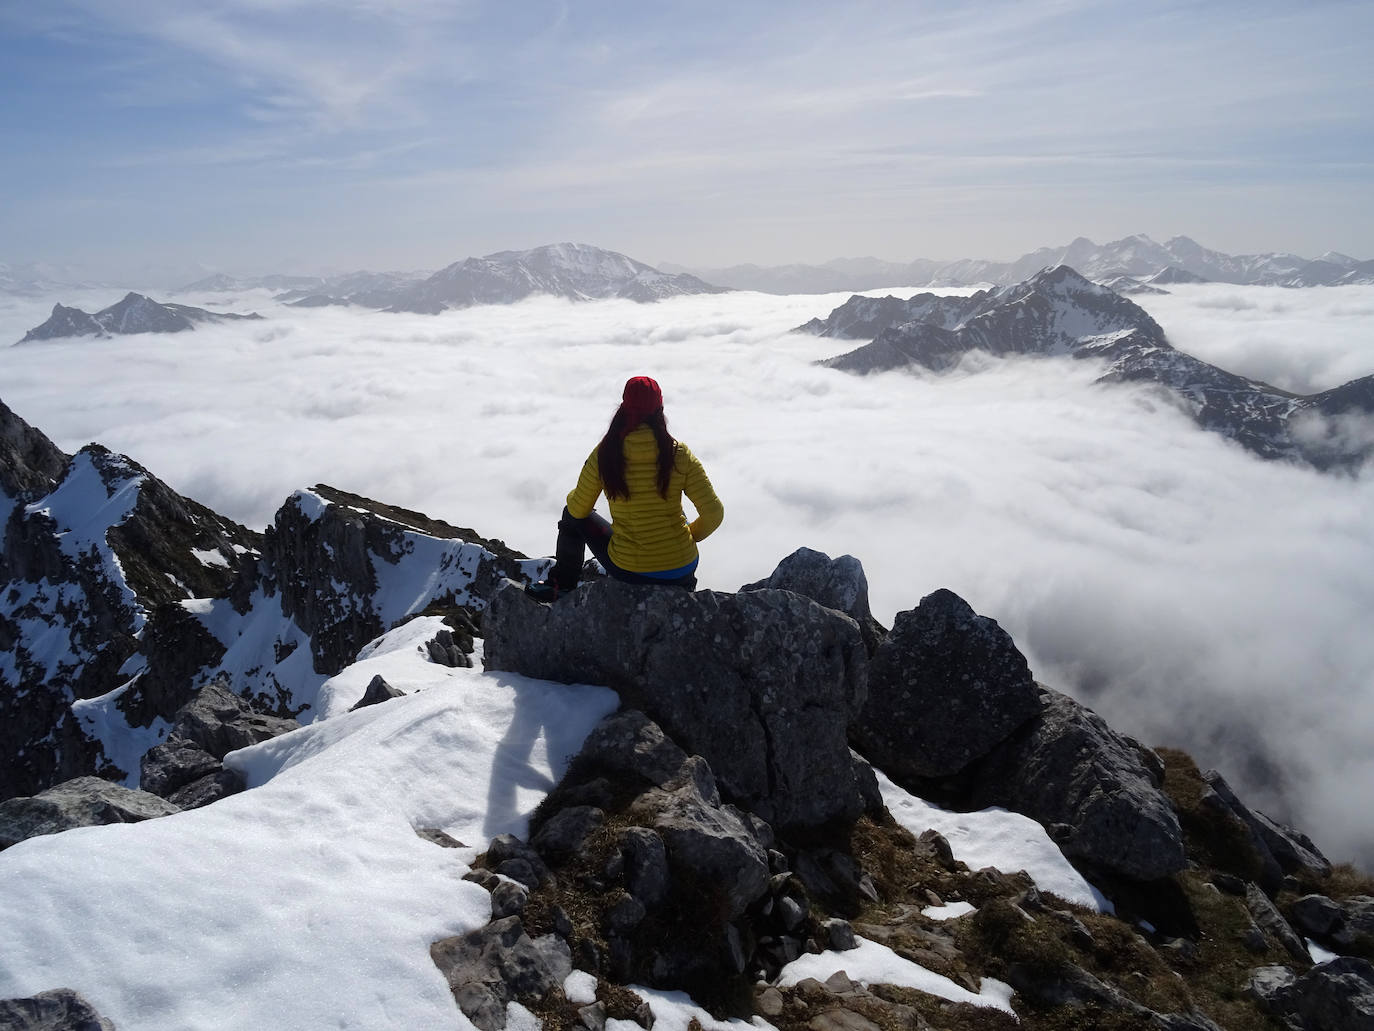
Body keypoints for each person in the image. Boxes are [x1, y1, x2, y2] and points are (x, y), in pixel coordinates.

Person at [528, 376, 723, 600]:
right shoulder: (678, 453)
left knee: (570, 516)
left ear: (624, 407)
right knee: (678, 512)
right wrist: (688, 536)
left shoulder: (606, 453)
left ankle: (560, 585)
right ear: (660, 408)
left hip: (631, 570)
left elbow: (577, 511)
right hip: (682, 568)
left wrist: (575, 495)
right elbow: (714, 514)